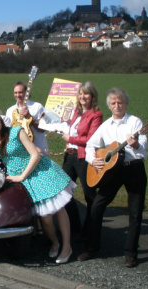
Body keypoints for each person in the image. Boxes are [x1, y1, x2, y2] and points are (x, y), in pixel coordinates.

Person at [0, 105, 76, 264]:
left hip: (40, 172)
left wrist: (21, 176)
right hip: (23, 179)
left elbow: (35, 155)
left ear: (0, 119)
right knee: (45, 218)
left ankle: (67, 246)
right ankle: (55, 242)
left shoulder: (16, 131)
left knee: (58, 209)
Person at [78, 88, 148, 268]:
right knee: (97, 206)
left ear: (125, 104)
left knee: (135, 212)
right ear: (109, 105)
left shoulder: (135, 122)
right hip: (112, 171)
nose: (117, 106)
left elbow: (143, 149)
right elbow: (91, 145)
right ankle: (92, 247)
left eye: (120, 102)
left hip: (134, 169)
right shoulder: (106, 125)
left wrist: (136, 143)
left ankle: (131, 253)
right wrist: (94, 160)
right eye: (113, 103)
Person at [61, 81, 103, 238]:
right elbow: (71, 131)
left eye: (86, 94)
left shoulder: (96, 115)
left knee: (89, 194)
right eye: (80, 94)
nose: (82, 97)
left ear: (92, 96)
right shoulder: (75, 113)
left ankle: (90, 229)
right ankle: (74, 226)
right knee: (63, 190)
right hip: (69, 156)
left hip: (84, 157)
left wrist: (70, 138)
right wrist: (68, 142)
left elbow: (90, 139)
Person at [4, 81, 49, 155]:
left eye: (20, 92)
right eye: (15, 93)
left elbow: (43, 129)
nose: (18, 95)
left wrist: (29, 118)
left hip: (38, 150)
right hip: (20, 152)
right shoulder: (10, 111)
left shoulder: (37, 107)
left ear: (26, 93)